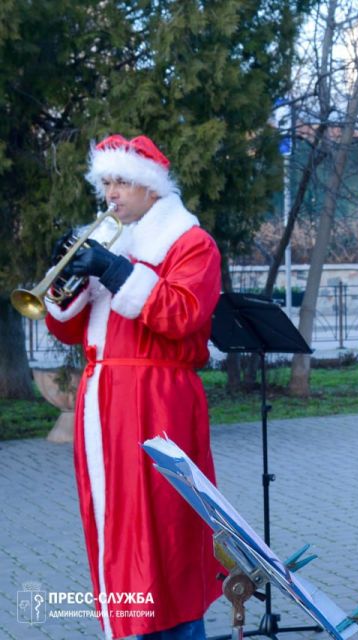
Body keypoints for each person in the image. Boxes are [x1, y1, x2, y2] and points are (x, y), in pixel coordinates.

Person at [44, 134, 222, 639]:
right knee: (114, 522)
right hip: (105, 400)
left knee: (167, 528)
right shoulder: (110, 239)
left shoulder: (190, 241)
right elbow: (65, 328)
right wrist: (64, 280)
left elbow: (183, 315)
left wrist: (115, 269)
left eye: (121, 181)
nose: (111, 194)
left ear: (149, 186)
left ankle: (173, 630)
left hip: (158, 398)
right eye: (105, 183)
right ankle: (127, 625)